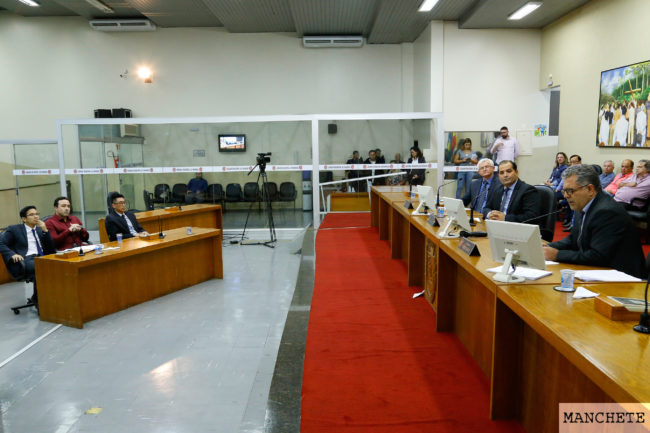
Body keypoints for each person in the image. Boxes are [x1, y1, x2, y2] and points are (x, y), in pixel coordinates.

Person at [544, 164, 645, 279]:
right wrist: (548, 247)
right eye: (564, 191)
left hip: (624, 278)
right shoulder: (582, 204)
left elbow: (598, 256)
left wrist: (557, 255)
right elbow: (574, 239)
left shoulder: (607, 212)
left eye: (570, 191)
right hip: (598, 271)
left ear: (590, 189)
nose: (566, 196)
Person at [0, 206, 56, 306]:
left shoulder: (40, 230)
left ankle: (45, 298)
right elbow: (1, 243)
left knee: (59, 266)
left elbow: (51, 250)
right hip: (26, 260)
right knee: (42, 268)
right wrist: (12, 254)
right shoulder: (14, 229)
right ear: (24, 219)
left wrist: (45, 231)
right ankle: (40, 303)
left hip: (42, 258)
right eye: (32, 215)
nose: (36, 217)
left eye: (37, 214)